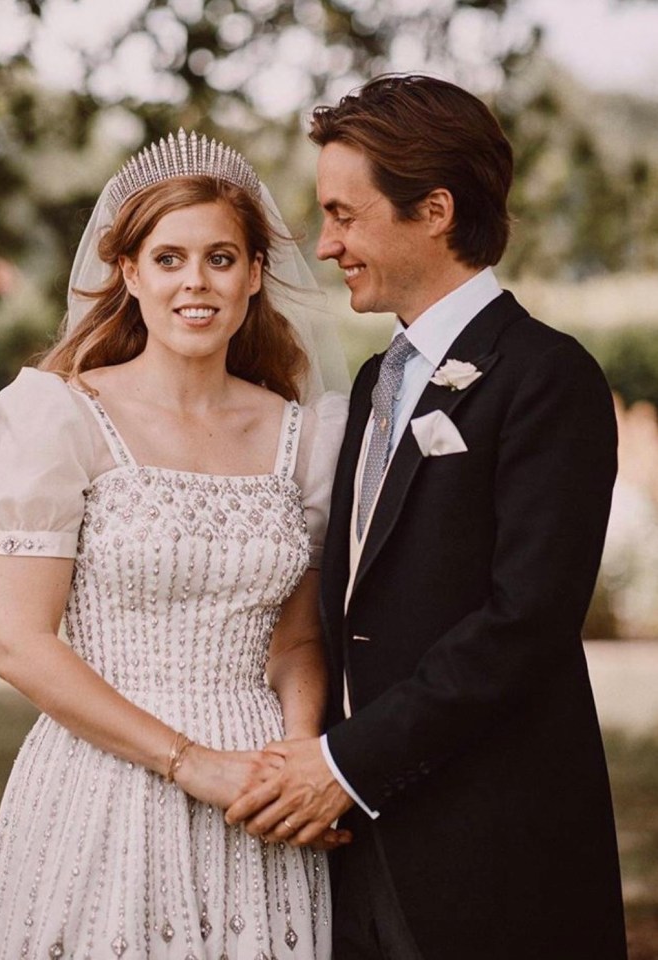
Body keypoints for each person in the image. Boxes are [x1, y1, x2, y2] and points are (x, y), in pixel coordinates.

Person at [226, 75, 628, 959]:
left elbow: (525, 622)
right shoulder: (376, 381)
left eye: (344, 214)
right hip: (359, 841)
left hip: (493, 844)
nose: (326, 244)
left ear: (434, 209)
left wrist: (344, 764)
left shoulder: (545, 378)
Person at [0, 130, 350, 960]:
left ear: (255, 273)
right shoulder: (61, 417)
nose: (195, 283)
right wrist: (189, 763)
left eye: (220, 258)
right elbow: (19, 644)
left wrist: (296, 759)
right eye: (169, 258)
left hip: (259, 792)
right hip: (104, 779)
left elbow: (296, 640)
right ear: (130, 273)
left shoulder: (306, 438)